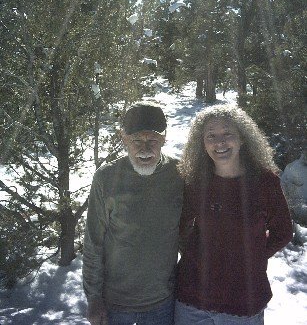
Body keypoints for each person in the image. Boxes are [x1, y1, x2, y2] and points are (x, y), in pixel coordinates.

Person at [175, 104, 293, 325]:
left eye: (227, 134)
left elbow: (283, 232)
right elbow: (178, 227)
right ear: (202, 144)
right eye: (211, 136)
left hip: (243, 302)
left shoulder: (265, 182)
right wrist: (196, 255)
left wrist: (252, 256)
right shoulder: (195, 182)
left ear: (242, 138)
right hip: (191, 301)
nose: (220, 142)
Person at [83, 102, 184, 325]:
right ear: (124, 139)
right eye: (137, 140)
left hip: (164, 303)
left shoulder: (179, 175)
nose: (144, 149)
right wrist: (93, 297)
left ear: (164, 139)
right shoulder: (106, 178)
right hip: (115, 305)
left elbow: (189, 236)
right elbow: (93, 242)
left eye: (153, 140)